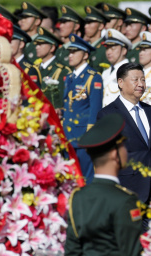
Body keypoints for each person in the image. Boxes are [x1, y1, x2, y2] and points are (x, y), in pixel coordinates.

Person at [64, 113, 143, 256]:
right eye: (123, 146)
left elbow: (72, 255)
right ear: (115, 154)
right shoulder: (126, 200)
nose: (126, 151)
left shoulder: (77, 197)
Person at [97, 62, 151, 204]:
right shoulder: (108, 114)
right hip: (127, 189)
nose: (141, 84)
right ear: (121, 82)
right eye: (135, 80)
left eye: (143, 80)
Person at [62, 34, 103, 184]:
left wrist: (90, 137)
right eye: (69, 52)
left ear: (85, 55)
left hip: (83, 136)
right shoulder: (69, 77)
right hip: (69, 135)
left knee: (86, 179)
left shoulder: (93, 77)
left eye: (75, 52)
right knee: (69, 180)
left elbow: (95, 109)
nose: (70, 55)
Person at [35, 27, 71, 108]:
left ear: (52, 48)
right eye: (37, 44)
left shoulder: (61, 71)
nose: (37, 47)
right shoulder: (34, 68)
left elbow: (63, 98)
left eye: (41, 44)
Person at [102, 29, 131, 107]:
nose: (108, 52)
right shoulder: (106, 72)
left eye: (113, 48)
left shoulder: (130, 72)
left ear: (124, 50)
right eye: (107, 48)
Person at [83, 6, 109, 74]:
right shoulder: (83, 47)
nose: (85, 26)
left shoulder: (105, 49)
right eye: (86, 23)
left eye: (90, 23)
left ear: (101, 26)